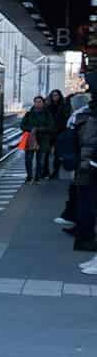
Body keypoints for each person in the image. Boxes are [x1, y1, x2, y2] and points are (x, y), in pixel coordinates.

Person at [73, 103, 97, 265]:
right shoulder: (91, 120)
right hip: (89, 167)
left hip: (85, 166)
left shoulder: (84, 118)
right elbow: (88, 145)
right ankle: (85, 239)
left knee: (85, 202)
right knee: (87, 203)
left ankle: (84, 237)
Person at [21, 95, 56, 182]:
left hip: (43, 139)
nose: (38, 104)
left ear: (43, 103)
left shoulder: (47, 114)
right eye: (36, 102)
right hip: (30, 139)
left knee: (40, 160)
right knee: (28, 159)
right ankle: (29, 176)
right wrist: (31, 129)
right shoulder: (28, 114)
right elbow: (22, 125)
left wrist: (40, 129)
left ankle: (38, 177)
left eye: (40, 102)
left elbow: (51, 127)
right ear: (34, 103)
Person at [46, 89, 71, 178]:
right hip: (49, 133)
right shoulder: (48, 106)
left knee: (57, 154)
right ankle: (46, 171)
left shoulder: (64, 105)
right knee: (46, 153)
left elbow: (67, 117)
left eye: (56, 95)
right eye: (53, 95)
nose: (55, 97)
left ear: (59, 96)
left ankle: (55, 172)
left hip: (60, 132)